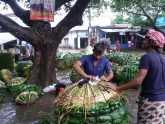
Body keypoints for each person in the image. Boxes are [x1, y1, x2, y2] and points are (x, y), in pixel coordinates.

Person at [105, 29, 165, 124]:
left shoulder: (147, 57)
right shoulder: (162, 59)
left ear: (151, 42)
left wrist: (117, 87)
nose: (143, 41)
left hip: (150, 102)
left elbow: (138, 81)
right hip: (161, 101)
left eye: (145, 39)